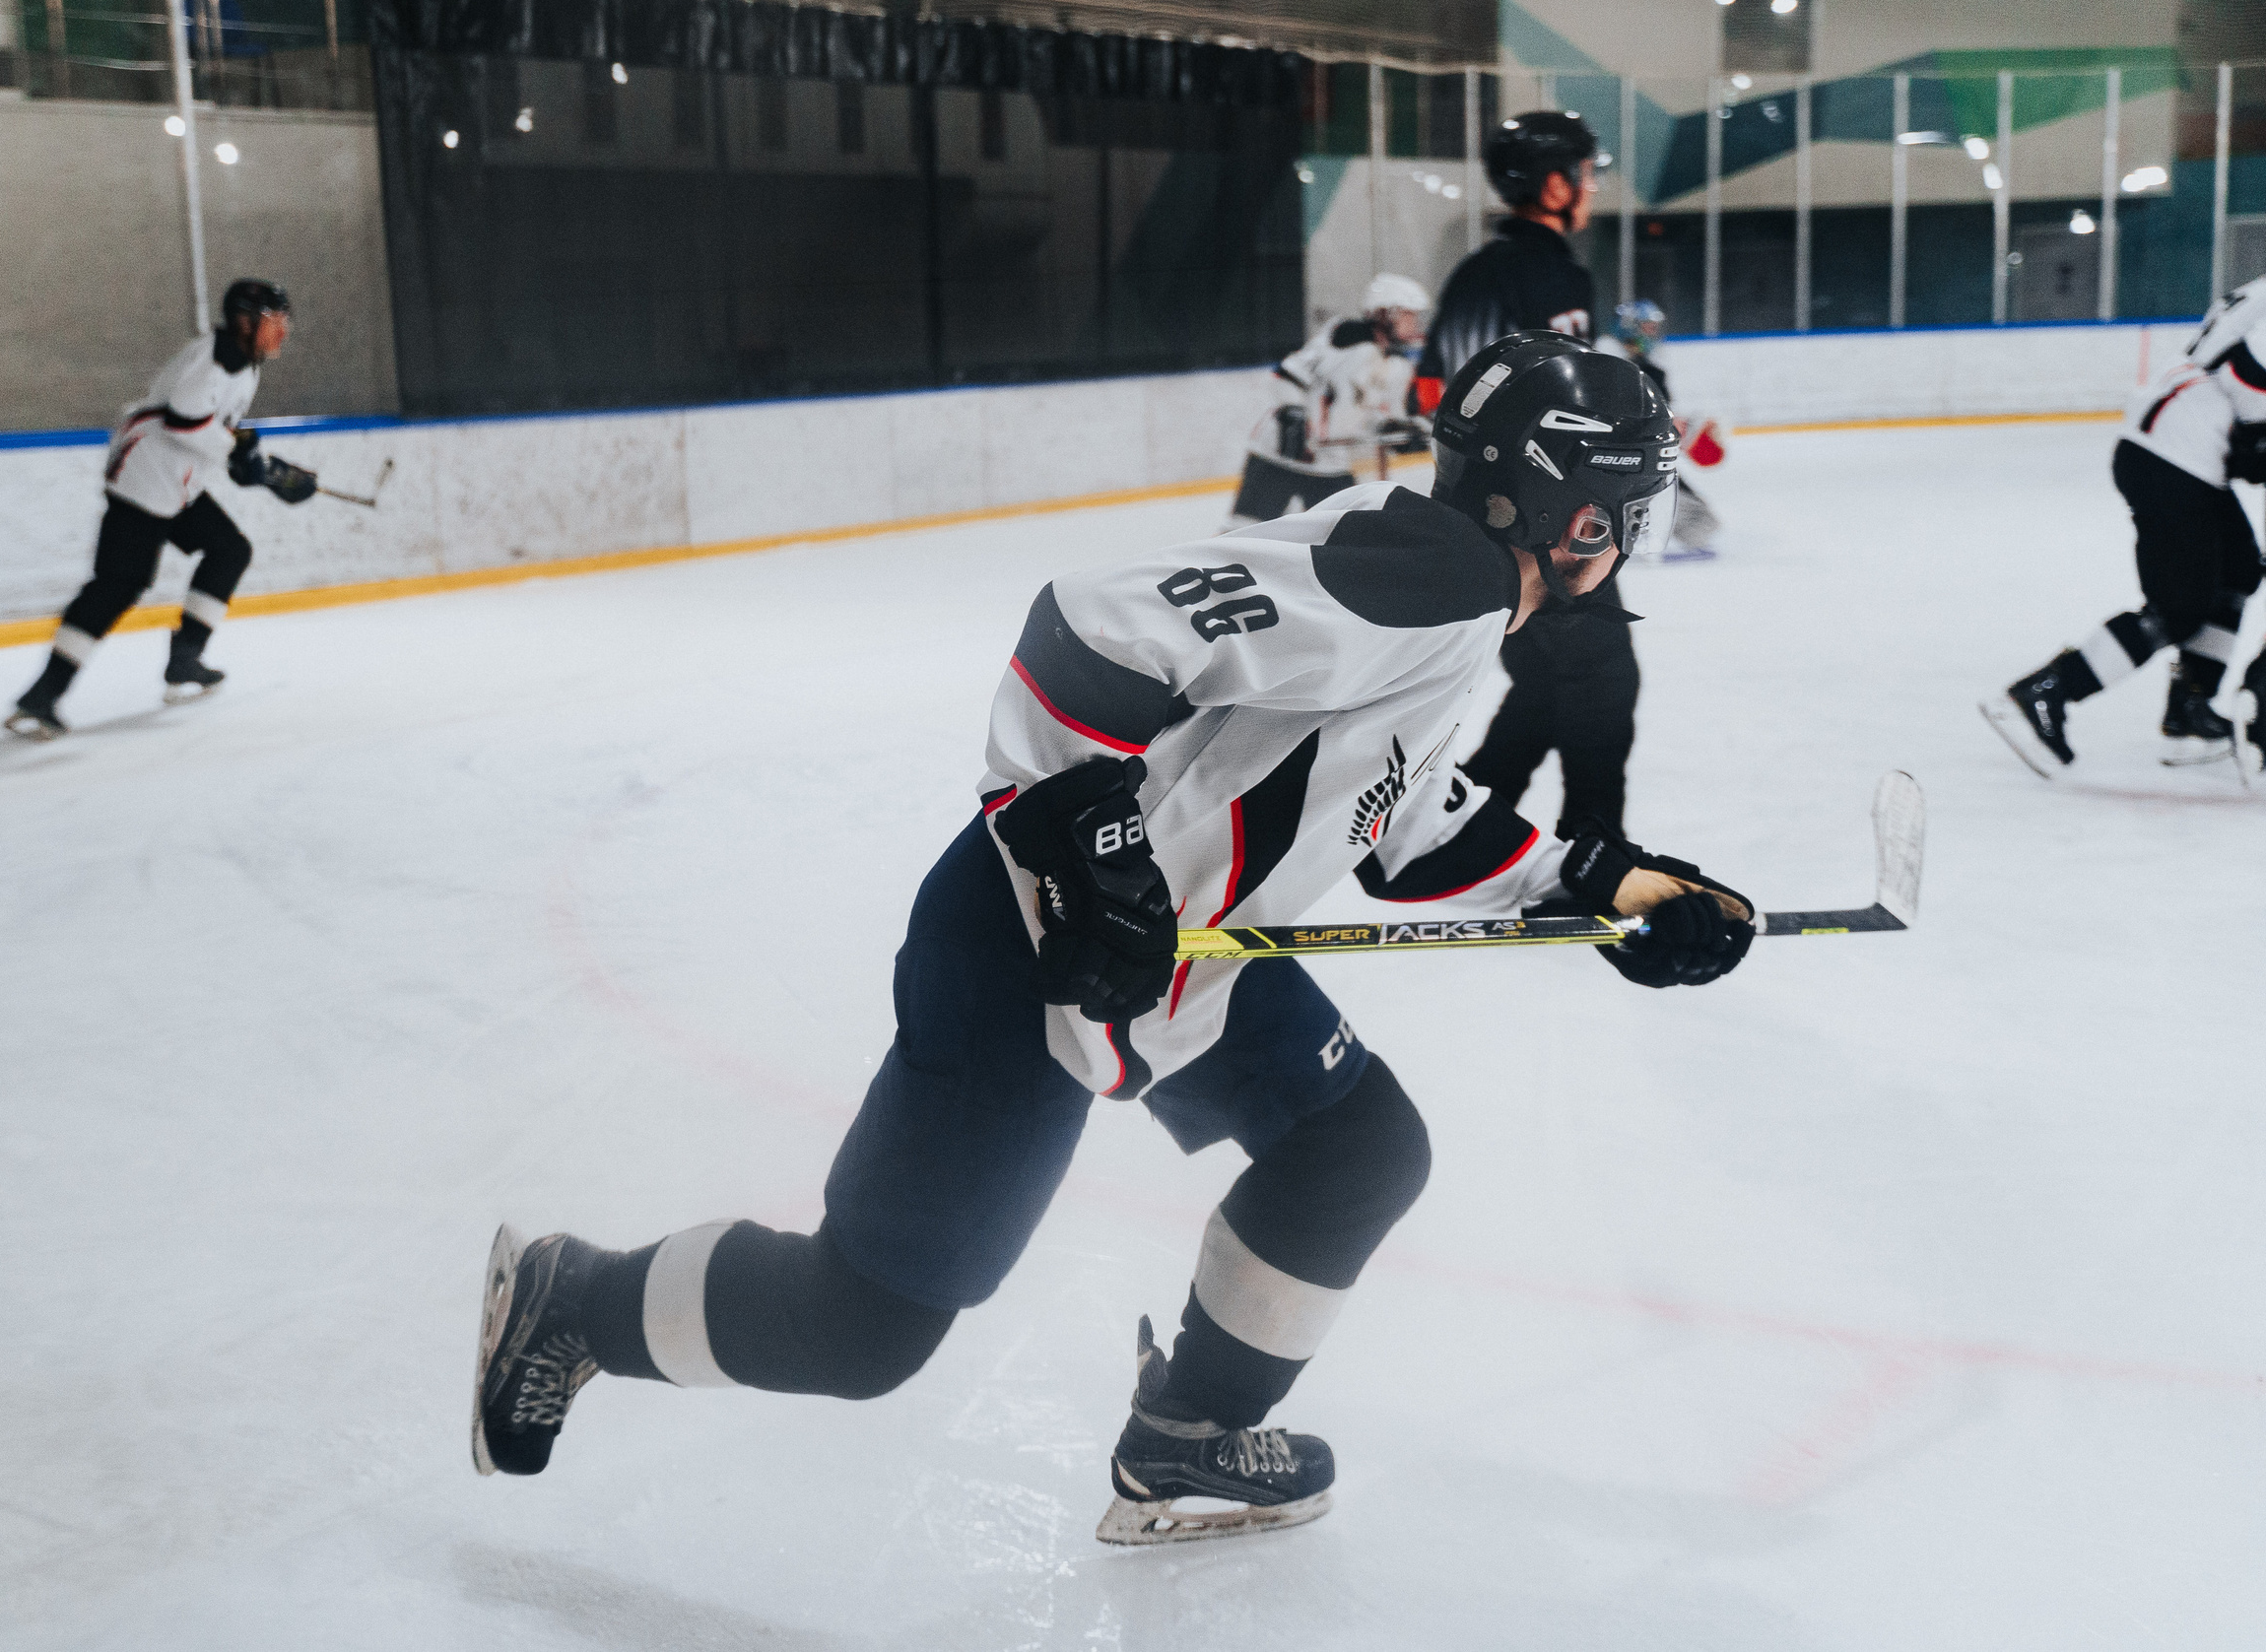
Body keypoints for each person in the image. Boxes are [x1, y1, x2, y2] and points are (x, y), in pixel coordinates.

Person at [467, 335, 1754, 1549]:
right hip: (1031, 942)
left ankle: (1187, 1435)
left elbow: (1398, 811)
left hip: (1168, 955)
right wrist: (1096, 847)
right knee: (864, 1329)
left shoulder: (1447, 589)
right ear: (1577, 513)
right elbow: (1085, 628)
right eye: (1619, 509)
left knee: (1354, 1146)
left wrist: (1609, 884)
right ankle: (570, 1299)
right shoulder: (1446, 579)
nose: (1622, 537)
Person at [1419, 110, 1643, 837]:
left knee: (1547, 680)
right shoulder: (1553, 273)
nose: (1592, 187)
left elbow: (1428, 394)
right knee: (1603, 681)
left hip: (1471, 518)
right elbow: (1578, 413)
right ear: (1554, 184)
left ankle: (1471, 813)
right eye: (1585, 172)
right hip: (1552, 524)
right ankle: (1598, 850)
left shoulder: (1471, 274)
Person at [3, 279, 319, 740]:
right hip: (142, 482)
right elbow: (183, 423)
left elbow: (215, 432)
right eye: (275, 323)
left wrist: (260, 468)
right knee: (119, 585)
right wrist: (244, 457)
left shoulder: (245, 364)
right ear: (245, 322)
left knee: (230, 550)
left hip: (176, 486)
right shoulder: (215, 360)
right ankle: (41, 696)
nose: (283, 333)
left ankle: (185, 660)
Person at [1981, 277, 2266, 778]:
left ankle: (2191, 715)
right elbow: (2247, 375)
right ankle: (2044, 693)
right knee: (2179, 608)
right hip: (2176, 450)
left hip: (2181, 441)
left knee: (2239, 568)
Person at [1222, 273, 1430, 530]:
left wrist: (1397, 432)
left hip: (1331, 464)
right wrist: (1293, 413)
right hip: (1279, 455)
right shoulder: (1343, 337)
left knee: (1348, 535)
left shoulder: (1400, 366)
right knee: (1243, 530)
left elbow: (1373, 416)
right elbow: (1288, 375)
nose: (1415, 323)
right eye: (1409, 315)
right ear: (1384, 313)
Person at [1599, 298, 1723, 561]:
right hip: (1620, 462)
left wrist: (1688, 427)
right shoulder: (1609, 364)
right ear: (1628, 328)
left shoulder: (1647, 367)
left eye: (1654, 327)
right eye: (1646, 327)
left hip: (1634, 460)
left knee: (1702, 524)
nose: (1652, 333)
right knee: (1697, 523)